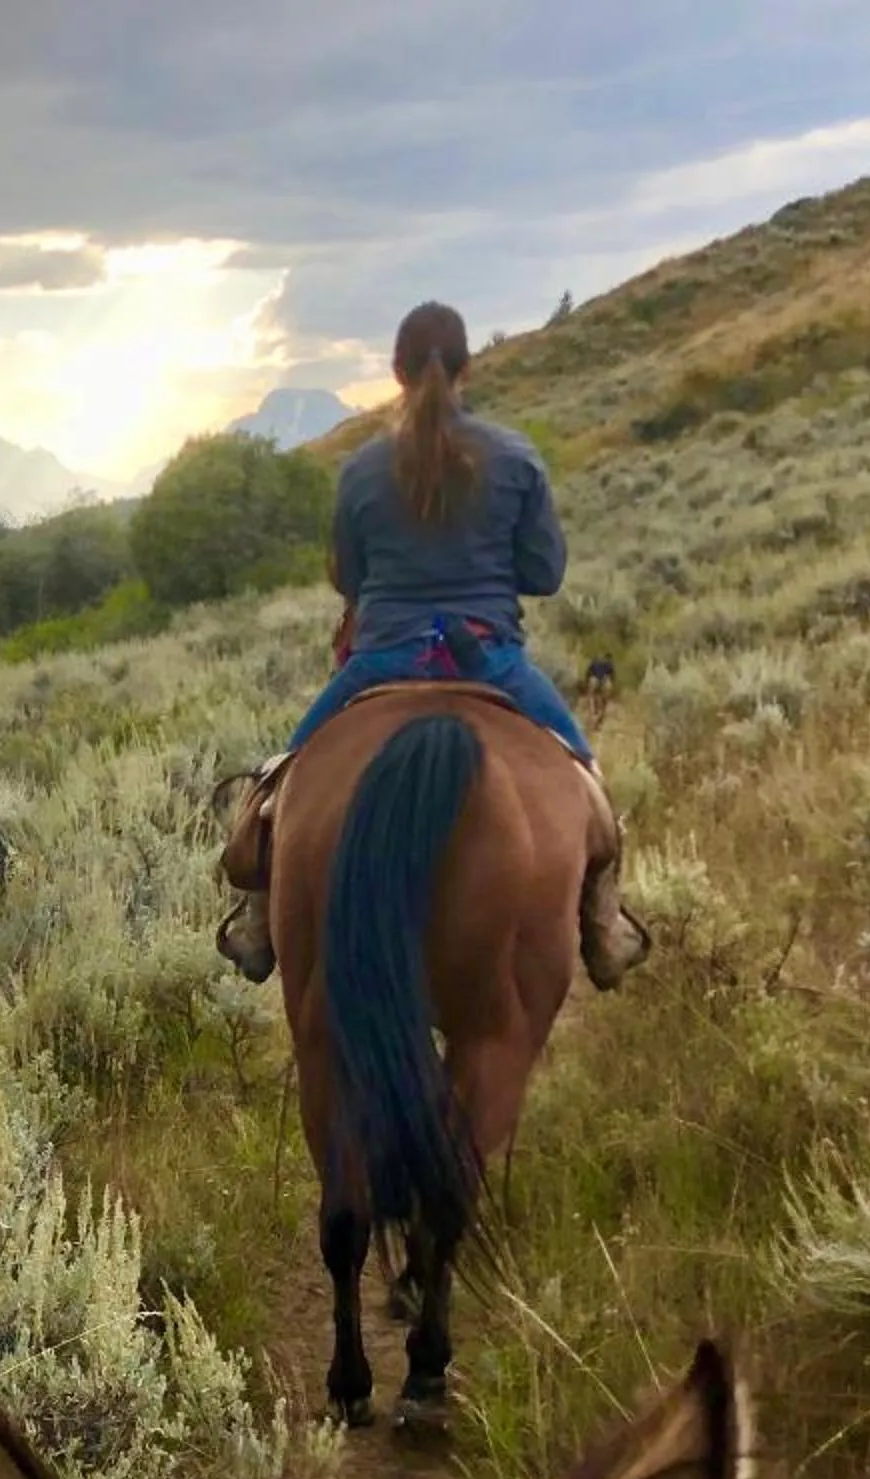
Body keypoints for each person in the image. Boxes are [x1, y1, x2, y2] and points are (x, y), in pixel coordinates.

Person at [216, 302, 647, 991]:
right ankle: (604, 926)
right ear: (468, 367)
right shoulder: (515, 457)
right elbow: (545, 572)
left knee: (277, 787)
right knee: (587, 780)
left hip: (384, 659)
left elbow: (348, 579)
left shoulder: (361, 470)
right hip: (489, 660)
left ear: (395, 372)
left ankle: (259, 921)